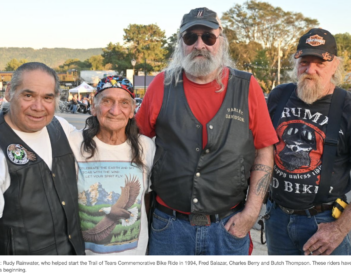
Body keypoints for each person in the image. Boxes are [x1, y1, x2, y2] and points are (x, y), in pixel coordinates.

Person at [136, 7, 277, 255]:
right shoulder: (162, 84)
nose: (200, 44)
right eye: (190, 37)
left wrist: (251, 213)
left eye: (208, 37)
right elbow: (135, 143)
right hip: (169, 226)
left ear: (220, 41)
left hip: (228, 226)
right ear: (180, 43)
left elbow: (264, 150)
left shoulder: (247, 86)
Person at [266, 28, 351, 255]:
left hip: (324, 223)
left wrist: (340, 229)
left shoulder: (347, 106)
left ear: (334, 66)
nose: (310, 70)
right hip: (277, 218)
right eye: (304, 61)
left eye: (320, 63)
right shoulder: (278, 96)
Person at [0, 62, 85, 255]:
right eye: (28, 95)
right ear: (9, 93)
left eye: (47, 98)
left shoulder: (61, 127)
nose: (38, 107)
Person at [68, 76, 155, 255]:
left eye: (124, 103)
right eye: (107, 101)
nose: (115, 111)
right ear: (93, 106)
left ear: (132, 111)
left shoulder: (146, 146)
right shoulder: (74, 142)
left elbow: (146, 199)